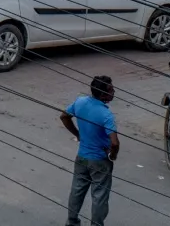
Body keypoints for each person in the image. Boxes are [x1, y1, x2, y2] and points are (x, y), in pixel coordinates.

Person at [59, 74, 118, 225]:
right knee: (99, 196)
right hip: (100, 160)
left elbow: (64, 116)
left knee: (77, 190)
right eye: (111, 90)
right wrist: (112, 155)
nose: (114, 92)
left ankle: (72, 221)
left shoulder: (80, 102)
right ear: (103, 94)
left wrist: (78, 134)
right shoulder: (106, 115)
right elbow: (115, 143)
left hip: (82, 157)